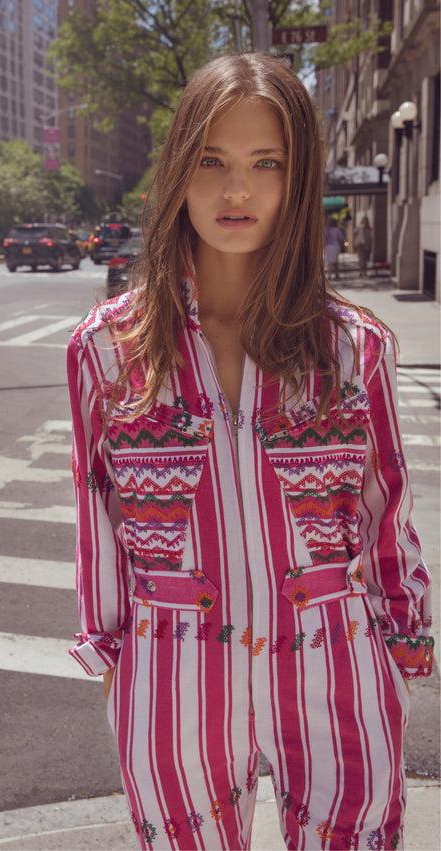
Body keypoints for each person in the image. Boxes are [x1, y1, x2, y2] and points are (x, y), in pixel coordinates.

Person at [66, 53, 433, 851]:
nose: (237, 190)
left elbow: (386, 509)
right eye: (212, 161)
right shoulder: (108, 349)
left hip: (336, 660)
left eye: (267, 163)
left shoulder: (353, 348)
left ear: (297, 181)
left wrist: (403, 643)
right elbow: (98, 511)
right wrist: (113, 655)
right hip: (173, 669)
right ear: (178, 171)